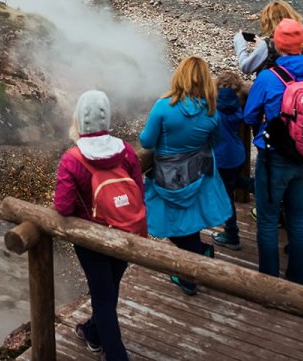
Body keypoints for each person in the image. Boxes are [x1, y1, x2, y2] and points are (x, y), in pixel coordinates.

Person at [54, 89, 142, 360]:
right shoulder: (125, 150)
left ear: (80, 118)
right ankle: (93, 333)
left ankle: (117, 355)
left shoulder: (72, 158)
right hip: (125, 231)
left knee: (103, 298)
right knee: (108, 291)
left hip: (91, 240)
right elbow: (138, 189)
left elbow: (63, 206)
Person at [139, 57, 233, 296]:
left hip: (167, 175)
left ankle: (190, 275)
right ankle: (200, 252)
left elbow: (146, 141)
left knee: (170, 224)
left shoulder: (163, 106)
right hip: (197, 172)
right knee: (188, 219)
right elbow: (215, 141)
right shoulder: (211, 112)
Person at [243, 18, 303, 285]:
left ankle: (269, 283)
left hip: (274, 157)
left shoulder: (268, 76)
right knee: (298, 219)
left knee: (267, 219)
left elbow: (250, 114)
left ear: (277, 43)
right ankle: (298, 280)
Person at [209, 70, 249, 251]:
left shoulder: (212, 108)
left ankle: (232, 236)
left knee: (225, 198)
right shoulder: (238, 106)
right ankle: (261, 187)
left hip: (221, 158)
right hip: (238, 155)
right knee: (232, 182)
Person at [234, 0, 303, 75]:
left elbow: (246, 67)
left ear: (268, 22)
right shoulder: (300, 41)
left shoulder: (268, 46)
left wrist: (240, 45)